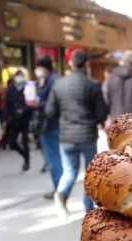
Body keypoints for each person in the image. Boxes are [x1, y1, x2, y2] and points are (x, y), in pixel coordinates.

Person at [45, 49, 107, 219]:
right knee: (89, 172)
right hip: (87, 135)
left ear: (70, 63)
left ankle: (62, 194)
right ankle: (88, 207)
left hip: (66, 136)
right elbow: (102, 112)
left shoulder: (58, 84)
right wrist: (94, 119)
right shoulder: (92, 85)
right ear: (87, 63)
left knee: (69, 171)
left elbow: (49, 111)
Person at [26, 55, 63, 200]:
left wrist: (37, 104)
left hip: (50, 126)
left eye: (38, 67)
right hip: (51, 125)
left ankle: (59, 189)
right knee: (54, 158)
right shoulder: (50, 80)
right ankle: (59, 188)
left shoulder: (52, 82)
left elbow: (51, 106)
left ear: (44, 68)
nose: (37, 70)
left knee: (53, 159)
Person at [2, 70, 32, 172]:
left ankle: (27, 162)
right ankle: (25, 155)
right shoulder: (11, 88)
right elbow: (7, 104)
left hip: (25, 119)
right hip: (14, 119)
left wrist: (23, 109)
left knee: (24, 141)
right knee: (12, 143)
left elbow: (32, 102)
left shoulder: (28, 87)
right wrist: (5, 118)